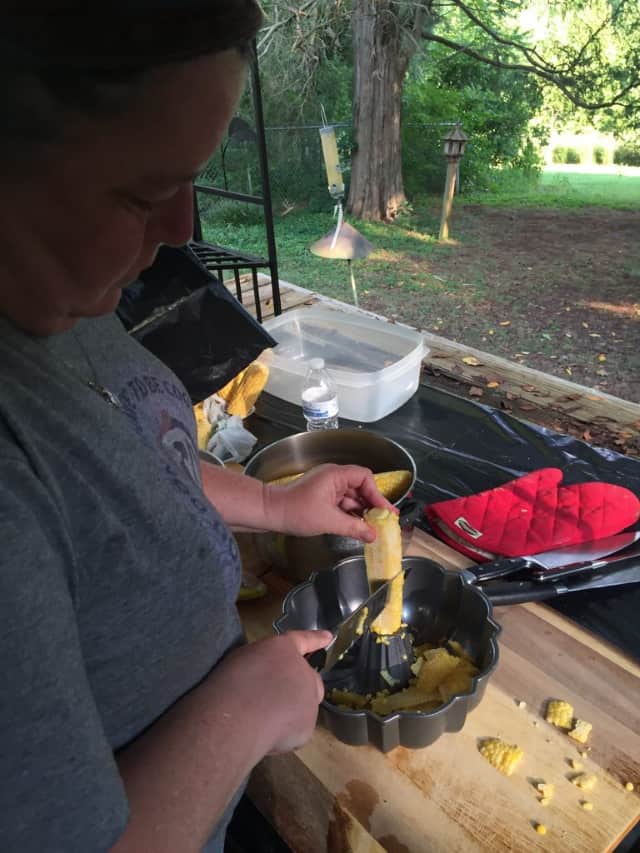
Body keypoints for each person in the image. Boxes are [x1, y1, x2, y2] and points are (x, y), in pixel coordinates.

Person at [0, 4, 394, 851]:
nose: (183, 230)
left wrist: (274, 504)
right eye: (145, 190)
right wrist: (241, 715)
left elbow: (135, 460)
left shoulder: (58, 292)